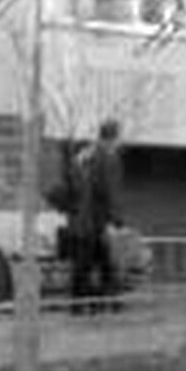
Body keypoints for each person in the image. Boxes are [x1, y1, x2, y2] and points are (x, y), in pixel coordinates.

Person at [68, 118, 124, 310]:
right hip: (97, 220)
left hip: (80, 219)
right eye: (118, 137)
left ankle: (79, 305)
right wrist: (115, 220)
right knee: (106, 263)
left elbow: (73, 184)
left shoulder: (84, 155)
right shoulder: (108, 157)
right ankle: (108, 303)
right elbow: (109, 191)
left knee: (85, 263)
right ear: (113, 138)